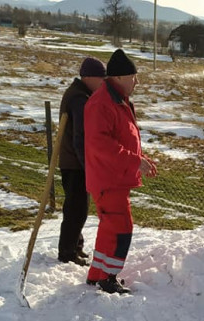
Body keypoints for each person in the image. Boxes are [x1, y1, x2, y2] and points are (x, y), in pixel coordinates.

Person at [82, 49, 157, 295]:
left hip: (113, 177)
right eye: (134, 76)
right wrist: (133, 160)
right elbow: (101, 144)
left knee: (109, 228)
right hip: (108, 179)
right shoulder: (102, 103)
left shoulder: (117, 99)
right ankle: (109, 278)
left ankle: (97, 274)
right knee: (121, 228)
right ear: (120, 77)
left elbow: (122, 138)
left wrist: (140, 158)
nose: (137, 81)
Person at [57, 56, 106, 266]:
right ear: (88, 77)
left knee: (77, 207)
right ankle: (67, 252)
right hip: (75, 163)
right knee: (76, 209)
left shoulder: (80, 94)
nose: (103, 83)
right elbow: (81, 137)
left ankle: (75, 246)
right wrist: (88, 166)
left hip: (73, 161)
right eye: (100, 79)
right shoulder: (79, 99)